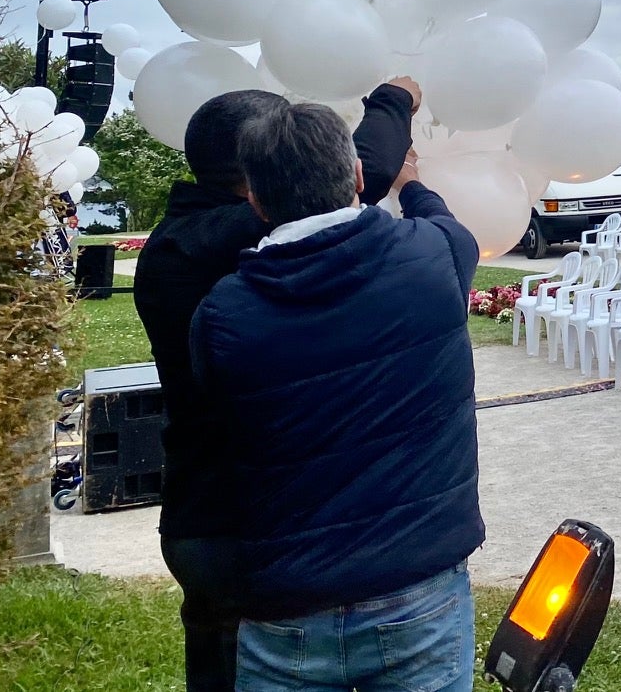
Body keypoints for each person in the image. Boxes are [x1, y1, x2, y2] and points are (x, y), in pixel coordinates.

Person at [133, 81, 416, 692]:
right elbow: (362, 171)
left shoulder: (171, 244)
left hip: (199, 513)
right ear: (257, 175)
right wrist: (394, 99)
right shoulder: (233, 235)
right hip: (247, 524)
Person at [191, 100, 480, 691]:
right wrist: (413, 183)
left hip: (285, 603)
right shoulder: (434, 255)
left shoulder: (222, 313)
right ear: (354, 176)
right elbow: (450, 225)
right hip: (417, 587)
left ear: (254, 199)